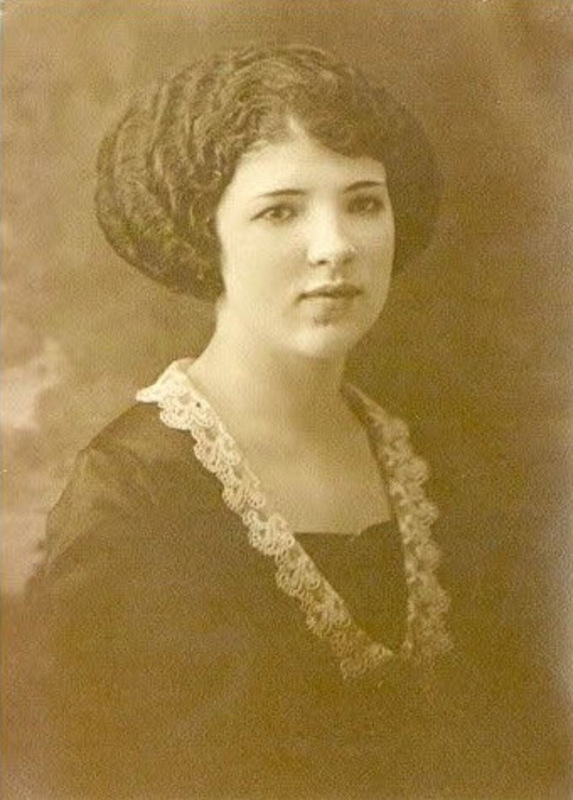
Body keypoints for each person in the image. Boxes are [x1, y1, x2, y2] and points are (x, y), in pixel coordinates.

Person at [26, 43, 459, 798]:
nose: (335, 248)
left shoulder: (424, 459)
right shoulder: (134, 490)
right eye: (280, 211)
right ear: (205, 236)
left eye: (362, 202)